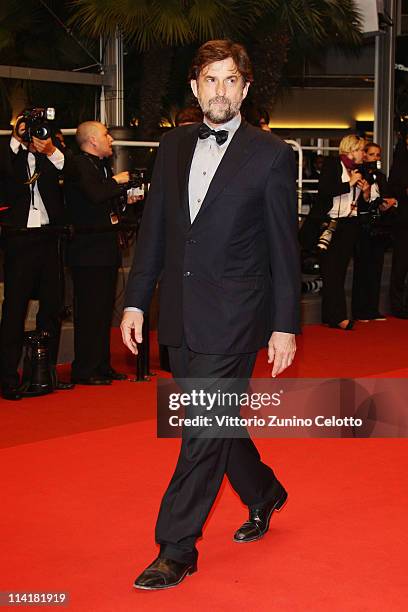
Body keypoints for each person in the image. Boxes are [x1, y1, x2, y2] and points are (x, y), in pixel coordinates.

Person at [121, 39, 300, 590]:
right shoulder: (172, 146)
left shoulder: (271, 154)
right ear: (195, 86)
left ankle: (176, 547)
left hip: (236, 316)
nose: (219, 90)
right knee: (216, 422)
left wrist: (285, 323)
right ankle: (264, 491)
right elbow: (154, 231)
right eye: (210, 79)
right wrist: (134, 300)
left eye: (231, 80)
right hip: (179, 311)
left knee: (199, 428)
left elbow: (282, 246)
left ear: (245, 89)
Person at [0, 109, 73, 400]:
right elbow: (5, 166)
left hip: (49, 238)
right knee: (14, 311)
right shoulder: (10, 155)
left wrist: (51, 148)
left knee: (52, 309)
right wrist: (16, 138)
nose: (31, 131)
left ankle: (45, 373)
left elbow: (71, 171)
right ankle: (7, 378)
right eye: (25, 126)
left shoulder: (50, 156)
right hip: (20, 240)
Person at [64, 121, 135, 385]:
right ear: (92, 140)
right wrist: (117, 182)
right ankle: (84, 368)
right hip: (87, 252)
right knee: (89, 313)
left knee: (104, 311)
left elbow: (104, 202)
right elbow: (95, 195)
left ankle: (101, 365)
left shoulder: (100, 166)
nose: (111, 140)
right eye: (106, 135)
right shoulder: (78, 164)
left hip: (104, 251)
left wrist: (124, 198)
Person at [316, 134, 367, 329]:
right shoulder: (333, 165)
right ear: (351, 150)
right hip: (330, 224)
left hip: (349, 224)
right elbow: (325, 191)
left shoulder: (359, 170)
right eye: (361, 150)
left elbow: (356, 202)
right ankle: (337, 316)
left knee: (339, 271)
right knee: (331, 271)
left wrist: (366, 193)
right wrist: (349, 184)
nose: (363, 154)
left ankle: (331, 316)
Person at [352, 142, 397, 321]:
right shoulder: (358, 175)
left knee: (376, 269)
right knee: (362, 269)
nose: (375, 158)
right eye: (372, 154)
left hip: (379, 227)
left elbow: (382, 199)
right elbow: (359, 202)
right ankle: (359, 310)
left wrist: (388, 203)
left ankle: (372, 309)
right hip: (362, 227)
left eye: (378, 155)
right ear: (365, 156)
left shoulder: (381, 176)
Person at [388, 134, 408, 318]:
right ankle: (397, 306)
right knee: (400, 266)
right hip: (403, 222)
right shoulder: (401, 161)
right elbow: (393, 187)